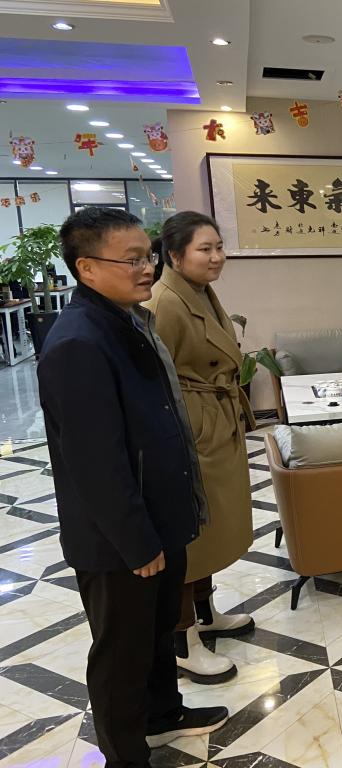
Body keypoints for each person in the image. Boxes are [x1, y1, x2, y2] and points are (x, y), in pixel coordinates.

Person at [38, 208, 227, 768]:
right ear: (87, 268)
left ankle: (161, 716)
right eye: (133, 259)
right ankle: (125, 754)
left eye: (149, 256)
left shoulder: (128, 321)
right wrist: (137, 541)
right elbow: (94, 464)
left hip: (158, 519)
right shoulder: (78, 342)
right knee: (121, 650)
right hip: (120, 540)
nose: (148, 268)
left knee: (156, 632)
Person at [145, 211, 256, 684]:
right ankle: (182, 641)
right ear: (175, 256)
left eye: (219, 247)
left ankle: (206, 615)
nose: (216, 257)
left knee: (211, 531)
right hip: (193, 428)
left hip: (213, 418)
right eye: (204, 249)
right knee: (190, 536)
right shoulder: (163, 302)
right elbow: (156, 380)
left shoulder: (199, 291)